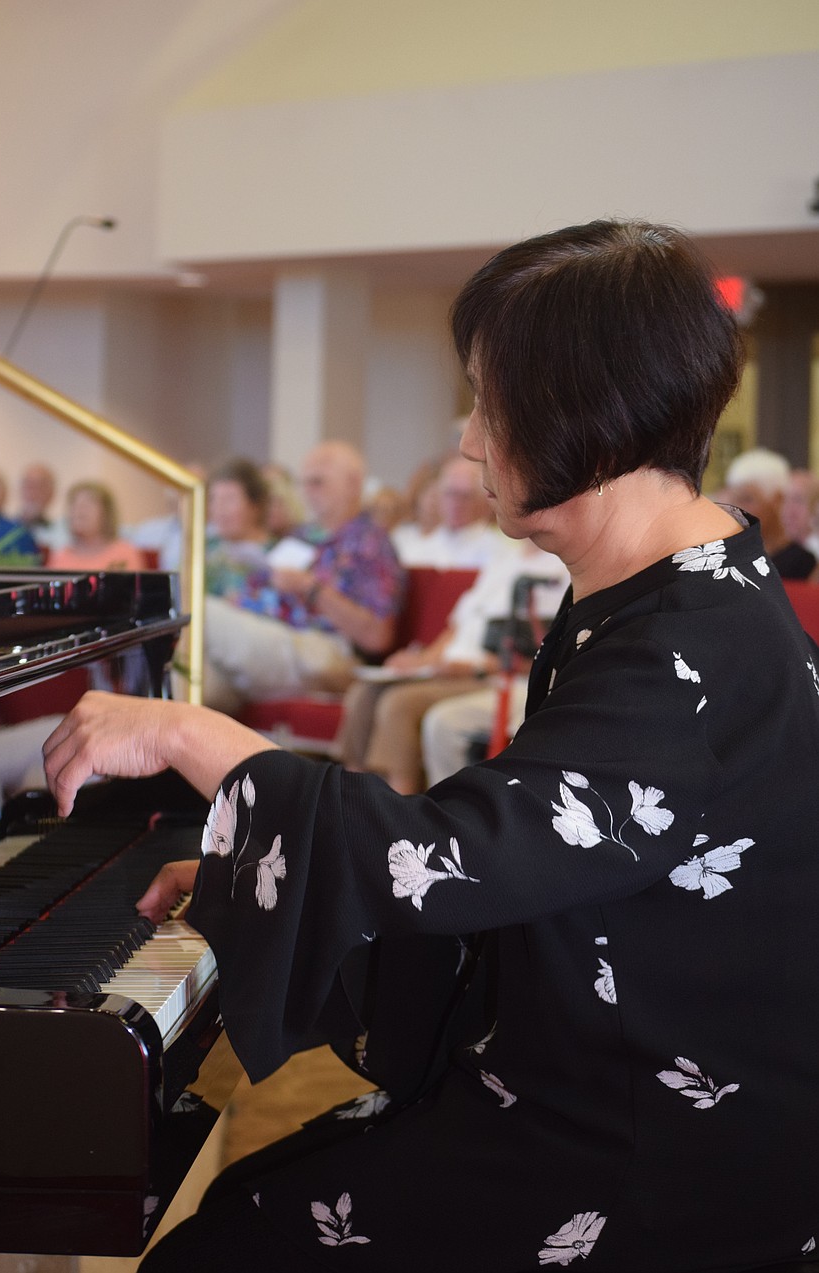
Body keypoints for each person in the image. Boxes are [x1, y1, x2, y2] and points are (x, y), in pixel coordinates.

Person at [42, 220, 819, 1272]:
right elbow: (543, 840)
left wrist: (188, 730)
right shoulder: (674, 590)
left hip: (658, 1145)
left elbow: (468, 853)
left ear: (582, 414)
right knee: (248, 1202)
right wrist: (259, 867)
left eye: (486, 402)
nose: (465, 439)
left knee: (233, 1245)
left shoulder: (692, 643)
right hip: (612, 1079)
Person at [337, 537, 569, 793]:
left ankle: (394, 813)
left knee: (399, 704)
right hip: (449, 667)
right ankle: (352, 799)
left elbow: (540, 652)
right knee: (362, 694)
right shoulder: (503, 558)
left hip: (486, 675)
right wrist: (422, 660)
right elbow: (457, 626)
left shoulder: (560, 567)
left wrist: (472, 667)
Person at [202, 440, 405, 711]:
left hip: (326, 652)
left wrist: (311, 588)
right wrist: (238, 600)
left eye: (318, 483)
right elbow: (258, 587)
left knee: (197, 609)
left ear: (353, 485)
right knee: (197, 680)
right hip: (270, 641)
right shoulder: (302, 535)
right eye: (305, 483)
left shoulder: (369, 543)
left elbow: (377, 637)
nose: (308, 492)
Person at [721, 446, 816, 579]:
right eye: (734, 499)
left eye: (747, 499)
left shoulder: (804, 565)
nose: (736, 509)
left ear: (776, 500)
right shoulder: (725, 556)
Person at [390, 452, 499, 568]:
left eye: (465, 496)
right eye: (450, 493)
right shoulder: (420, 547)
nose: (456, 503)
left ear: (481, 500)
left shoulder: (494, 550)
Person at [204, 457, 274, 599]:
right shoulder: (205, 548)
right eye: (214, 499)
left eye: (230, 499)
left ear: (255, 505)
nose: (220, 509)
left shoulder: (276, 554)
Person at [47, 480, 147, 572]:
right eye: (75, 504)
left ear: (106, 513)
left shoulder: (125, 554)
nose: (79, 510)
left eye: (88, 504)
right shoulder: (61, 556)